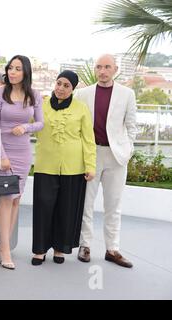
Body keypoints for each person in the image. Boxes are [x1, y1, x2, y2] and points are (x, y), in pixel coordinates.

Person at [75, 54, 137, 268]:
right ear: (95, 69)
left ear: (115, 69)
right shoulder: (82, 94)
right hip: (91, 155)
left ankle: (112, 249)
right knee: (86, 203)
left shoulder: (127, 94)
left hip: (116, 156)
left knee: (114, 205)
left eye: (107, 67)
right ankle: (85, 246)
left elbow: (132, 126)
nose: (102, 71)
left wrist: (127, 151)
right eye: (99, 67)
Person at [31, 70, 96, 266]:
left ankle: (60, 248)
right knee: (43, 206)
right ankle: (40, 250)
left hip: (73, 167)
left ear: (73, 89)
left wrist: (90, 165)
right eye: (59, 83)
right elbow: (26, 122)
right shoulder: (41, 106)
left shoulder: (81, 108)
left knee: (65, 209)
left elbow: (88, 139)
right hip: (45, 164)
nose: (61, 88)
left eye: (66, 85)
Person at [0, 55, 44, 270]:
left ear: (25, 72)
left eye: (17, 69)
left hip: (23, 152)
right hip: (4, 151)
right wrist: (1, 155)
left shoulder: (34, 95)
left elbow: (40, 123)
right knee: (5, 199)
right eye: (10, 68)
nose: (12, 72)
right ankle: (4, 249)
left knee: (15, 200)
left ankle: (4, 245)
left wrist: (26, 128)